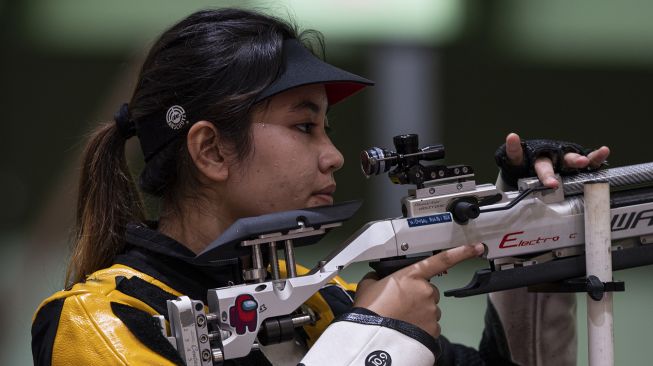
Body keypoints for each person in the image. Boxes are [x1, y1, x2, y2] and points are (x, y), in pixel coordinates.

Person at [31, 8, 610, 366]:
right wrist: (377, 337)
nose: (333, 155)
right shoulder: (104, 322)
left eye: (326, 129)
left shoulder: (321, 300)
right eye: (303, 126)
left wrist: (532, 236)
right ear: (210, 150)